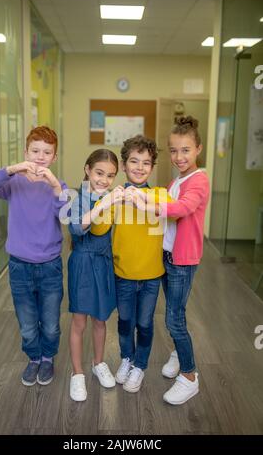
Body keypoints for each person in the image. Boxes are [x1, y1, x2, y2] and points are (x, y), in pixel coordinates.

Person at [131, 116, 210, 405]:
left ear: (198, 148)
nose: (179, 156)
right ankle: (179, 352)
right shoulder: (177, 180)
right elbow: (166, 210)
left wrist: (146, 202)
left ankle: (189, 376)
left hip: (182, 260)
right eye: (174, 150)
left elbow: (181, 208)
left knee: (174, 318)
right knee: (176, 311)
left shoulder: (198, 180)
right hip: (168, 255)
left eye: (186, 150)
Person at [0, 126, 68, 387]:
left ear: (54, 157)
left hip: (50, 265)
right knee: (28, 322)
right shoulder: (13, 183)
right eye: (35, 151)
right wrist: (12, 169)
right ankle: (33, 358)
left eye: (47, 152)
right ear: (26, 152)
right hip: (19, 267)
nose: (40, 157)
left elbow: (66, 215)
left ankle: (47, 358)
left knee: (50, 323)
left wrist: (54, 185)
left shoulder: (59, 187)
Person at [91, 136, 173, 393]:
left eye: (146, 163)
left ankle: (140, 365)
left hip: (151, 277)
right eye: (134, 162)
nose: (139, 167)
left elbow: (172, 211)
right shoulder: (118, 197)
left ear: (152, 167)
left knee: (145, 323)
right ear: (124, 166)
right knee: (125, 322)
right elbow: (97, 228)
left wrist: (142, 199)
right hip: (123, 274)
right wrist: (106, 200)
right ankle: (127, 358)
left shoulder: (161, 195)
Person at [68, 149, 124, 402]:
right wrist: (105, 203)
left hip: (103, 264)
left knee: (101, 320)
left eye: (110, 176)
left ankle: (98, 363)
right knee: (79, 322)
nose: (104, 180)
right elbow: (77, 228)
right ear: (87, 170)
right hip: (82, 262)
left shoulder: (111, 197)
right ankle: (77, 373)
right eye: (99, 173)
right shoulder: (77, 197)